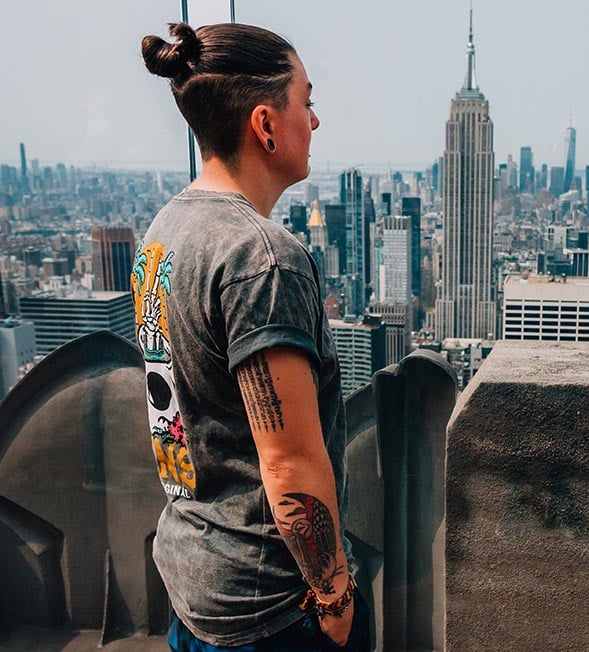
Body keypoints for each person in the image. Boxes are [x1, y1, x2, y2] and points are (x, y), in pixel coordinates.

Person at [136, 22, 370, 650]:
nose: (315, 122)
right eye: (308, 102)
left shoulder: (163, 231)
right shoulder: (262, 257)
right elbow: (288, 460)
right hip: (271, 606)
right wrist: (335, 594)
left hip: (193, 583)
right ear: (265, 124)